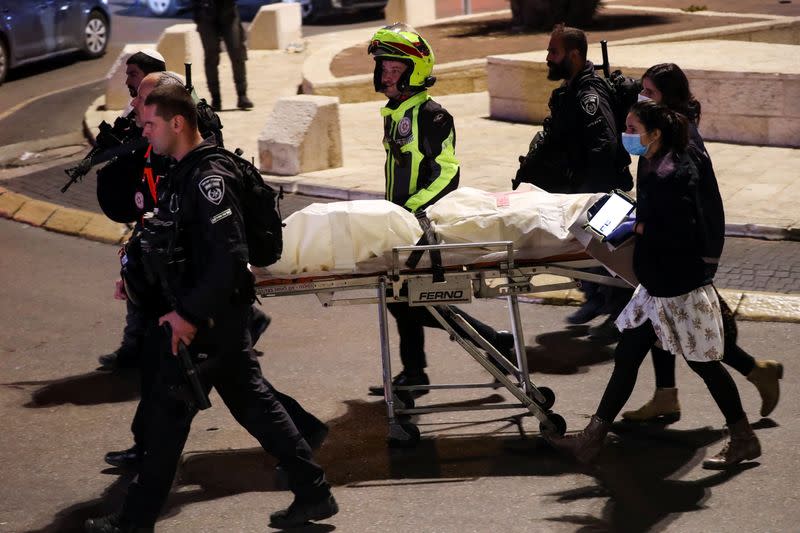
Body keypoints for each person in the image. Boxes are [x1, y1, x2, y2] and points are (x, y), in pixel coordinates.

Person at [85, 84, 337, 532]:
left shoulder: (209, 178)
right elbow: (178, 240)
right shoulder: (184, 170)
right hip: (210, 315)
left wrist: (187, 316)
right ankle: (313, 492)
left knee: (167, 416)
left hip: (210, 319)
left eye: (150, 124)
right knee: (252, 403)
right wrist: (139, 275)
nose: (145, 133)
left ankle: (134, 521)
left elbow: (227, 258)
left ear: (177, 122)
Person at [545, 100, 762, 470]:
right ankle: (591, 439)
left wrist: (643, 227)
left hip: (677, 288)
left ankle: (743, 437)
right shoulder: (653, 162)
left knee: (705, 364)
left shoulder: (675, 174)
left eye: (632, 129)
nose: (627, 136)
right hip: (654, 288)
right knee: (627, 357)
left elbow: (684, 230)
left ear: (655, 133)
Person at [620, 63, 783, 423]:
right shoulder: (664, 129)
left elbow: (688, 204)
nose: (642, 96)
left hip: (688, 254)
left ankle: (752, 384)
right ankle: (668, 396)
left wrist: (650, 228)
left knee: (697, 335)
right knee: (669, 325)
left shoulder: (677, 137)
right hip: (677, 255)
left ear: (667, 98)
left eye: (649, 91)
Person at [365, 24, 519, 398]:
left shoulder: (433, 115)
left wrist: (414, 211)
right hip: (400, 221)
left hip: (420, 225)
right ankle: (417, 370)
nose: (385, 74)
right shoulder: (395, 112)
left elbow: (447, 170)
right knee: (401, 297)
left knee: (411, 301)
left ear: (413, 70)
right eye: (383, 67)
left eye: (393, 68)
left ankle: (492, 341)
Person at [513, 24, 634, 332]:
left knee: (612, 257)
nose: (548, 58)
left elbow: (604, 145)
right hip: (579, 192)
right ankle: (596, 297)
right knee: (585, 250)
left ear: (575, 55)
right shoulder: (569, 92)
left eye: (554, 51)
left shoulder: (589, 94)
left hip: (600, 191)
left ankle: (617, 315)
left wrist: (585, 193)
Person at [97, 50, 167, 371]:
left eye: (134, 77)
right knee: (134, 271)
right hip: (153, 220)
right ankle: (134, 347)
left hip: (173, 226)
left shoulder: (178, 142)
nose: (134, 101)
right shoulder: (151, 131)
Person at [192, 0, 253, 111]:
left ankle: (242, 95)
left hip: (228, 11)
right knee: (211, 57)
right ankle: (216, 99)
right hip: (205, 11)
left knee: (237, 52)